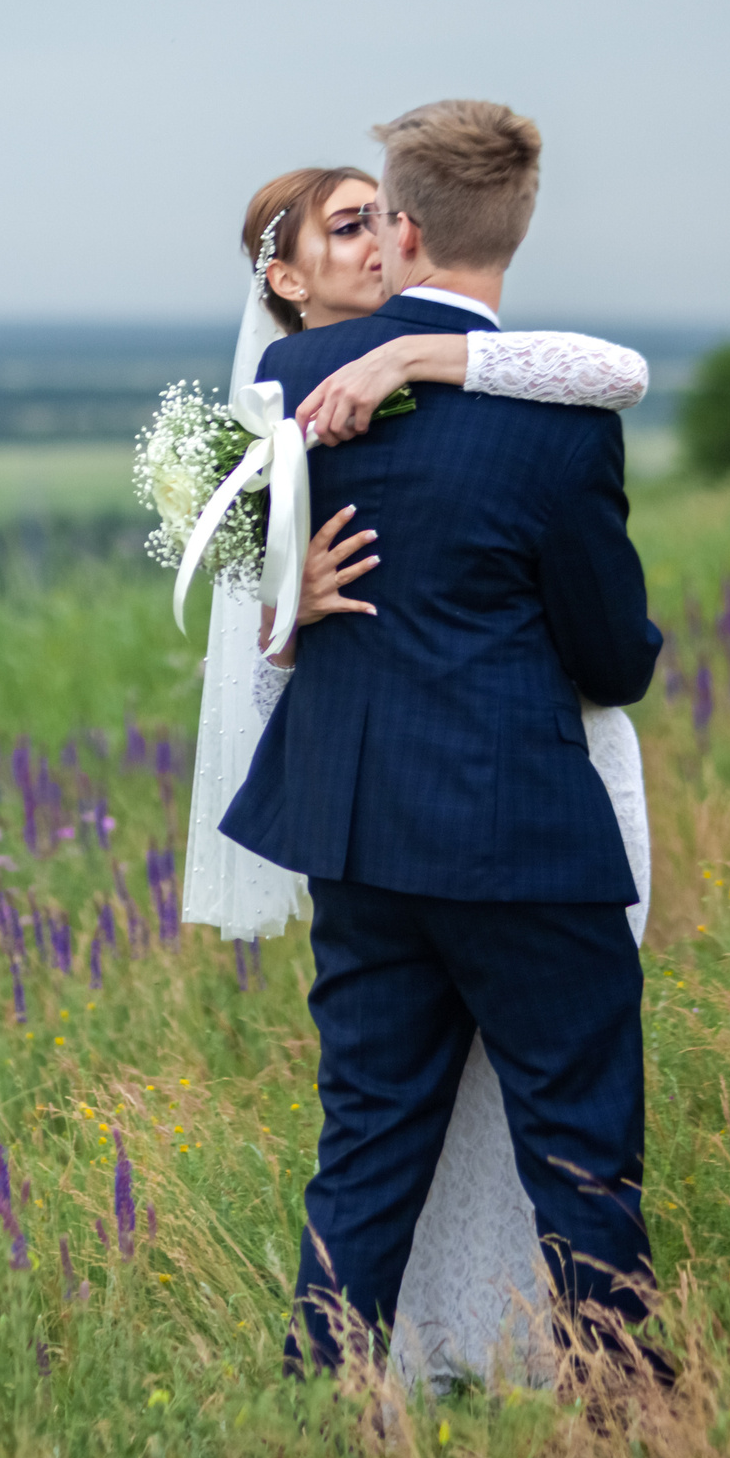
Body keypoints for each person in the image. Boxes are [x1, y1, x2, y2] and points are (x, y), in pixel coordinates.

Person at [217, 101, 666, 1384]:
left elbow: (226, 564)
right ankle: (619, 1399)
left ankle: (322, 1400)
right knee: (578, 1131)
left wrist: (277, 604)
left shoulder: (287, 385)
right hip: (517, 828)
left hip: (352, 823)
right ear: (515, 225)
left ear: (405, 228)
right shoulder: (560, 410)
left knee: (365, 1136)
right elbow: (609, 657)